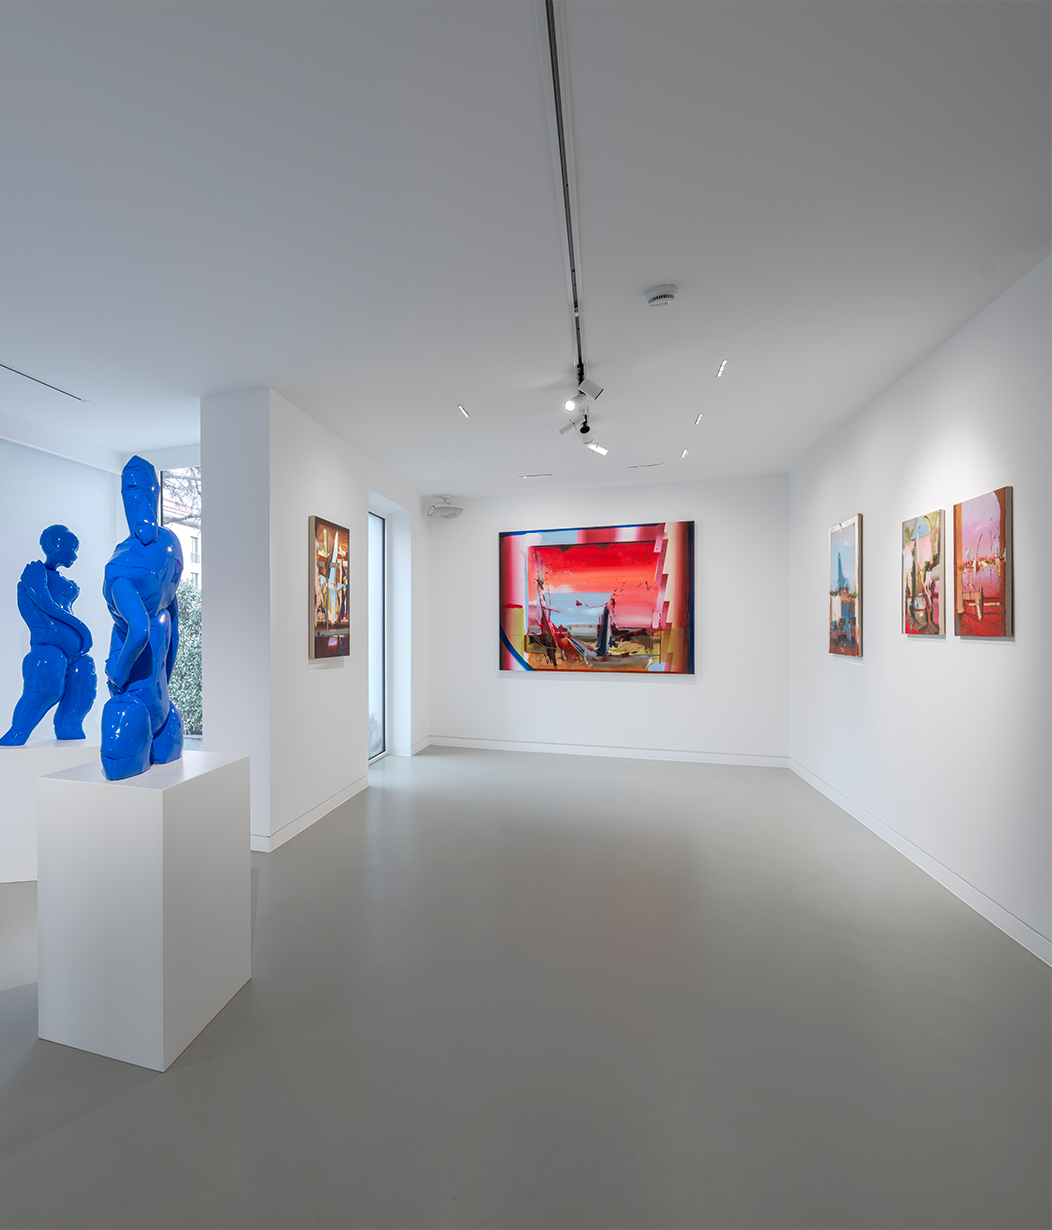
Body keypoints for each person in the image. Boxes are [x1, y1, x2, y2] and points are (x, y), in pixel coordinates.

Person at [101, 456, 184, 780]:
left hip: (133, 704)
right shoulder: (170, 547)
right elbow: (172, 631)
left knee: (123, 784)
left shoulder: (122, 565)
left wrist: (117, 671)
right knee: (164, 785)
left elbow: (138, 631)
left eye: (132, 488)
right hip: (165, 712)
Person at [0, 525, 97, 745]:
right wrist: (83, 630)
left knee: (84, 679)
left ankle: (69, 728)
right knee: (46, 683)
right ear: (55, 546)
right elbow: (47, 604)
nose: (75, 554)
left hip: (75, 653)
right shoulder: (35, 571)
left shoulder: (62, 580)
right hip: (47, 646)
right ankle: (16, 734)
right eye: (72, 548)